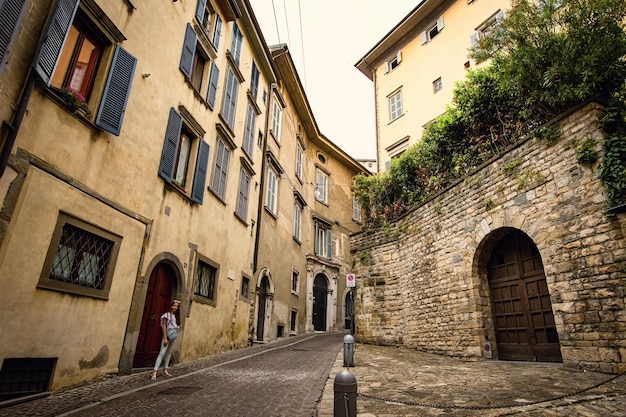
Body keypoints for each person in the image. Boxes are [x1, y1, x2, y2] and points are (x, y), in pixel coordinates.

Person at [150, 299, 181, 380]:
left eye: (177, 306)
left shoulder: (176, 317)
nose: (175, 307)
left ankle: (165, 369)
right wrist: (164, 338)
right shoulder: (166, 315)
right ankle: (155, 371)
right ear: (171, 306)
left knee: (169, 353)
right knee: (162, 352)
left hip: (173, 336)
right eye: (174, 306)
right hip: (167, 336)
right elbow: (164, 326)